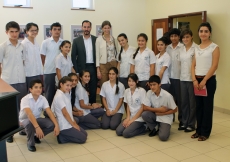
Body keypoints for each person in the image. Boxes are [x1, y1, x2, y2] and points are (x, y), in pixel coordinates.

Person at [191, 22, 220, 141]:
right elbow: (193, 65)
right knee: (199, 107)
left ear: (210, 33)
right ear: (198, 33)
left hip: (208, 80)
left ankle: (205, 133)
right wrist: (194, 80)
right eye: (201, 31)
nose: (203, 33)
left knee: (207, 107)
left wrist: (204, 80)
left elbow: (214, 66)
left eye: (206, 31)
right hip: (197, 81)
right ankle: (198, 130)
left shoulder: (214, 47)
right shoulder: (196, 48)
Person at [0, 21, 27, 143]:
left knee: (22, 106)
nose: (14, 34)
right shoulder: (3, 46)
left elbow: (23, 62)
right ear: (7, 32)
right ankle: (9, 133)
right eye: (11, 31)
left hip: (21, 79)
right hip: (8, 81)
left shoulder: (22, 46)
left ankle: (21, 127)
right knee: (10, 108)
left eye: (16, 31)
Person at [19, 79, 59, 152]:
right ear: (30, 89)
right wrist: (37, 127)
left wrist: (56, 125)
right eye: (36, 87)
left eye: (40, 87)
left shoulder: (43, 98)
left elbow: (49, 112)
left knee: (51, 124)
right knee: (29, 123)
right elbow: (29, 114)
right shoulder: (25, 99)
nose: (39, 89)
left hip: (37, 118)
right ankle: (30, 143)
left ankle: (35, 136)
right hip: (25, 120)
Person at [51, 76, 87, 144]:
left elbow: (69, 111)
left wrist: (74, 123)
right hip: (64, 125)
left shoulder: (66, 93)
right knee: (82, 139)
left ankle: (66, 135)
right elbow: (65, 113)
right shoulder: (59, 96)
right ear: (61, 84)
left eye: (70, 86)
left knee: (85, 134)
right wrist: (74, 124)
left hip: (68, 121)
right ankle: (62, 137)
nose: (69, 87)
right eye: (67, 85)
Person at [142, 75, 177, 141]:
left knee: (163, 137)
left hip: (165, 117)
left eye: (154, 85)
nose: (152, 87)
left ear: (160, 84)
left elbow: (175, 109)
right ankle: (155, 127)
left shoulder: (167, 96)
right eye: (150, 85)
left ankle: (161, 127)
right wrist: (159, 110)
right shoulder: (149, 93)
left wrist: (163, 113)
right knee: (145, 114)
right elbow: (144, 107)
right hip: (156, 115)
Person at [71, 20, 97, 103]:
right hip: (81, 67)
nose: (86, 29)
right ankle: (81, 106)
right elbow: (73, 56)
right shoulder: (76, 41)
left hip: (93, 67)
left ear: (91, 28)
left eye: (88, 27)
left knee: (93, 87)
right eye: (85, 27)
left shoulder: (96, 40)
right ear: (82, 28)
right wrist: (76, 71)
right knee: (81, 88)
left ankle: (92, 105)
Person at [116, 73, 146, 138]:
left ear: (137, 81)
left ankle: (144, 128)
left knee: (126, 133)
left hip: (139, 118)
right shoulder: (127, 91)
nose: (131, 83)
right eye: (129, 81)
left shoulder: (141, 91)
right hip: (131, 116)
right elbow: (128, 106)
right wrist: (128, 118)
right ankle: (131, 125)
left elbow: (142, 108)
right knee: (119, 131)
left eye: (133, 81)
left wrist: (132, 121)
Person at [178, 29, 197, 132]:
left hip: (192, 79)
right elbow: (180, 64)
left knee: (192, 103)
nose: (185, 39)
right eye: (183, 37)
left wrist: (195, 79)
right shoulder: (181, 49)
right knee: (184, 102)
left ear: (191, 37)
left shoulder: (196, 48)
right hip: (182, 78)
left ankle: (191, 124)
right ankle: (184, 123)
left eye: (187, 37)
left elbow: (196, 65)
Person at [40, 22, 63, 106]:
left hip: (60, 71)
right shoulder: (45, 42)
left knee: (59, 93)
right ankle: (48, 113)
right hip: (49, 71)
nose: (57, 31)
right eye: (54, 29)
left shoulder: (63, 42)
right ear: (50, 31)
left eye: (58, 29)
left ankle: (57, 112)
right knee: (49, 94)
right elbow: (42, 56)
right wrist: (46, 66)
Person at [166, 28, 183, 127]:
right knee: (170, 100)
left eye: (175, 36)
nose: (173, 38)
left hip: (179, 77)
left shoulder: (182, 47)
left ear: (179, 37)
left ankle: (181, 120)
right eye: (172, 36)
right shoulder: (167, 48)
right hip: (169, 78)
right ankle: (170, 118)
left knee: (180, 101)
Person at [96, 20, 118, 87]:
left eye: (108, 28)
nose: (106, 29)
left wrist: (117, 65)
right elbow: (97, 55)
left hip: (113, 63)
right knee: (104, 84)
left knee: (113, 83)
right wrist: (98, 70)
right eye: (105, 28)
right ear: (102, 29)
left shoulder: (114, 39)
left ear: (110, 28)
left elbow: (117, 52)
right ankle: (103, 97)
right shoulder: (99, 40)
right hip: (103, 65)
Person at [21, 22, 43, 91]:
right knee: (30, 94)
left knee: (38, 92)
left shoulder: (36, 43)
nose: (34, 32)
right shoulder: (24, 44)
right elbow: (22, 61)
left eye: (35, 30)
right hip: (29, 74)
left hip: (38, 72)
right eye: (32, 30)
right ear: (27, 32)